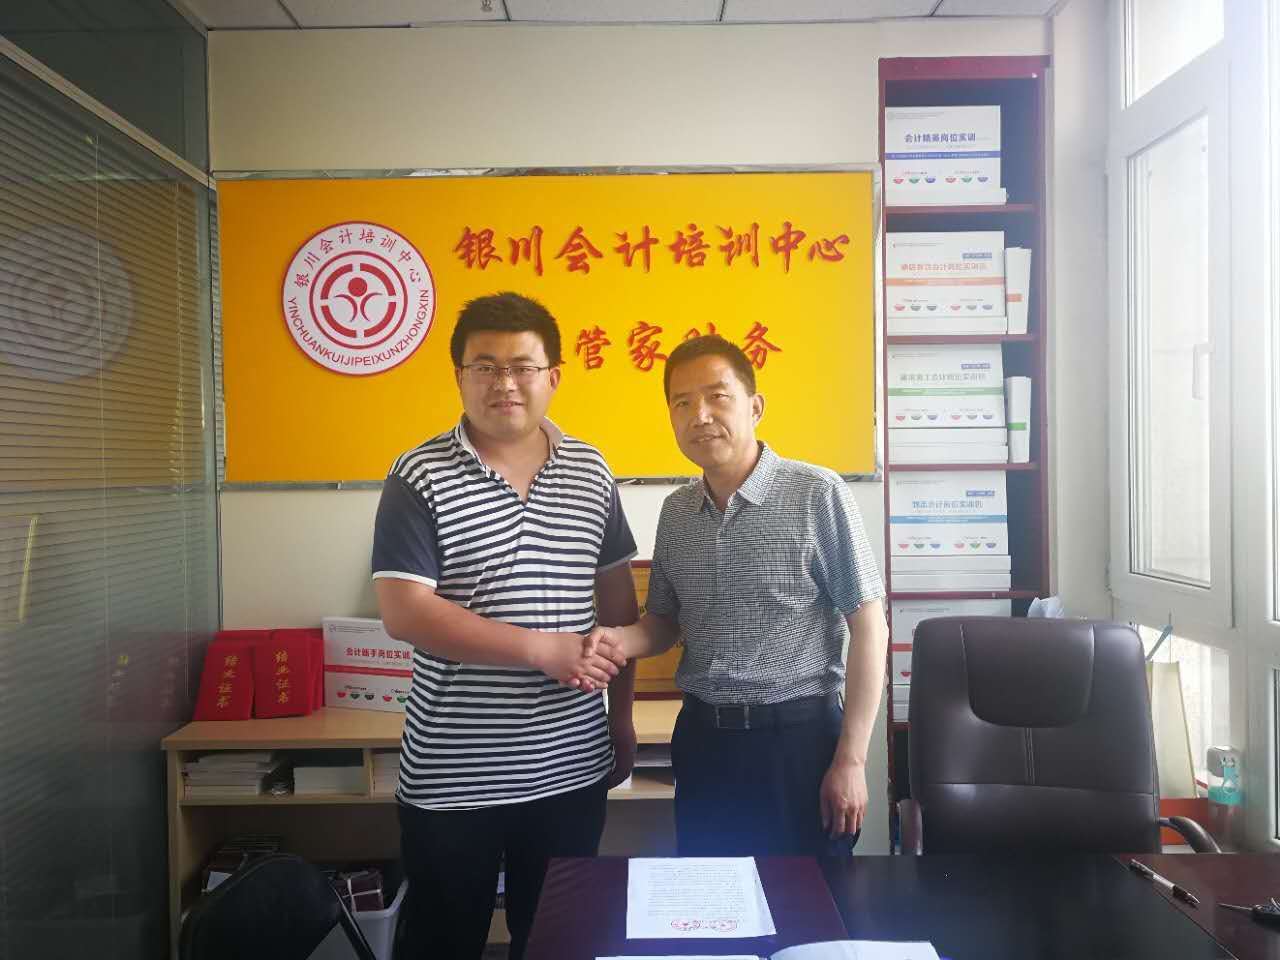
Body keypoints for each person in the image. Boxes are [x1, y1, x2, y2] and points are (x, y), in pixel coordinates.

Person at [372, 292, 638, 960]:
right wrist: (539, 649)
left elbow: (618, 610)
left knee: (558, 943)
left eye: (523, 366)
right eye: (484, 366)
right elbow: (404, 611)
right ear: (459, 376)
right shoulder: (419, 473)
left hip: (570, 768)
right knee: (441, 945)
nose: (505, 383)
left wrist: (622, 720)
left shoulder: (591, 470)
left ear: (554, 376)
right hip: (452, 775)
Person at [584, 334, 887, 858]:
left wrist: (851, 760)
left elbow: (869, 625)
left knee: (810, 899)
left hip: (799, 742)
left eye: (717, 396)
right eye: (682, 403)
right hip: (705, 742)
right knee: (712, 897)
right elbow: (664, 622)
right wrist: (616, 641)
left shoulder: (816, 493)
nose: (699, 415)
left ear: (755, 406)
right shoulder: (678, 512)